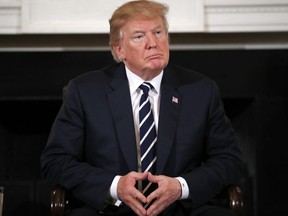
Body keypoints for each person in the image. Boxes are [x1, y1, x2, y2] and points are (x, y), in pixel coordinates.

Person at [41, 0, 244, 216]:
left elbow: (230, 160)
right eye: (139, 36)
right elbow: (55, 161)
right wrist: (115, 186)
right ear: (120, 50)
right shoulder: (85, 91)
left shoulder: (200, 90)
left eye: (158, 32)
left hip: (180, 209)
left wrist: (181, 187)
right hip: (111, 208)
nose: (153, 43)